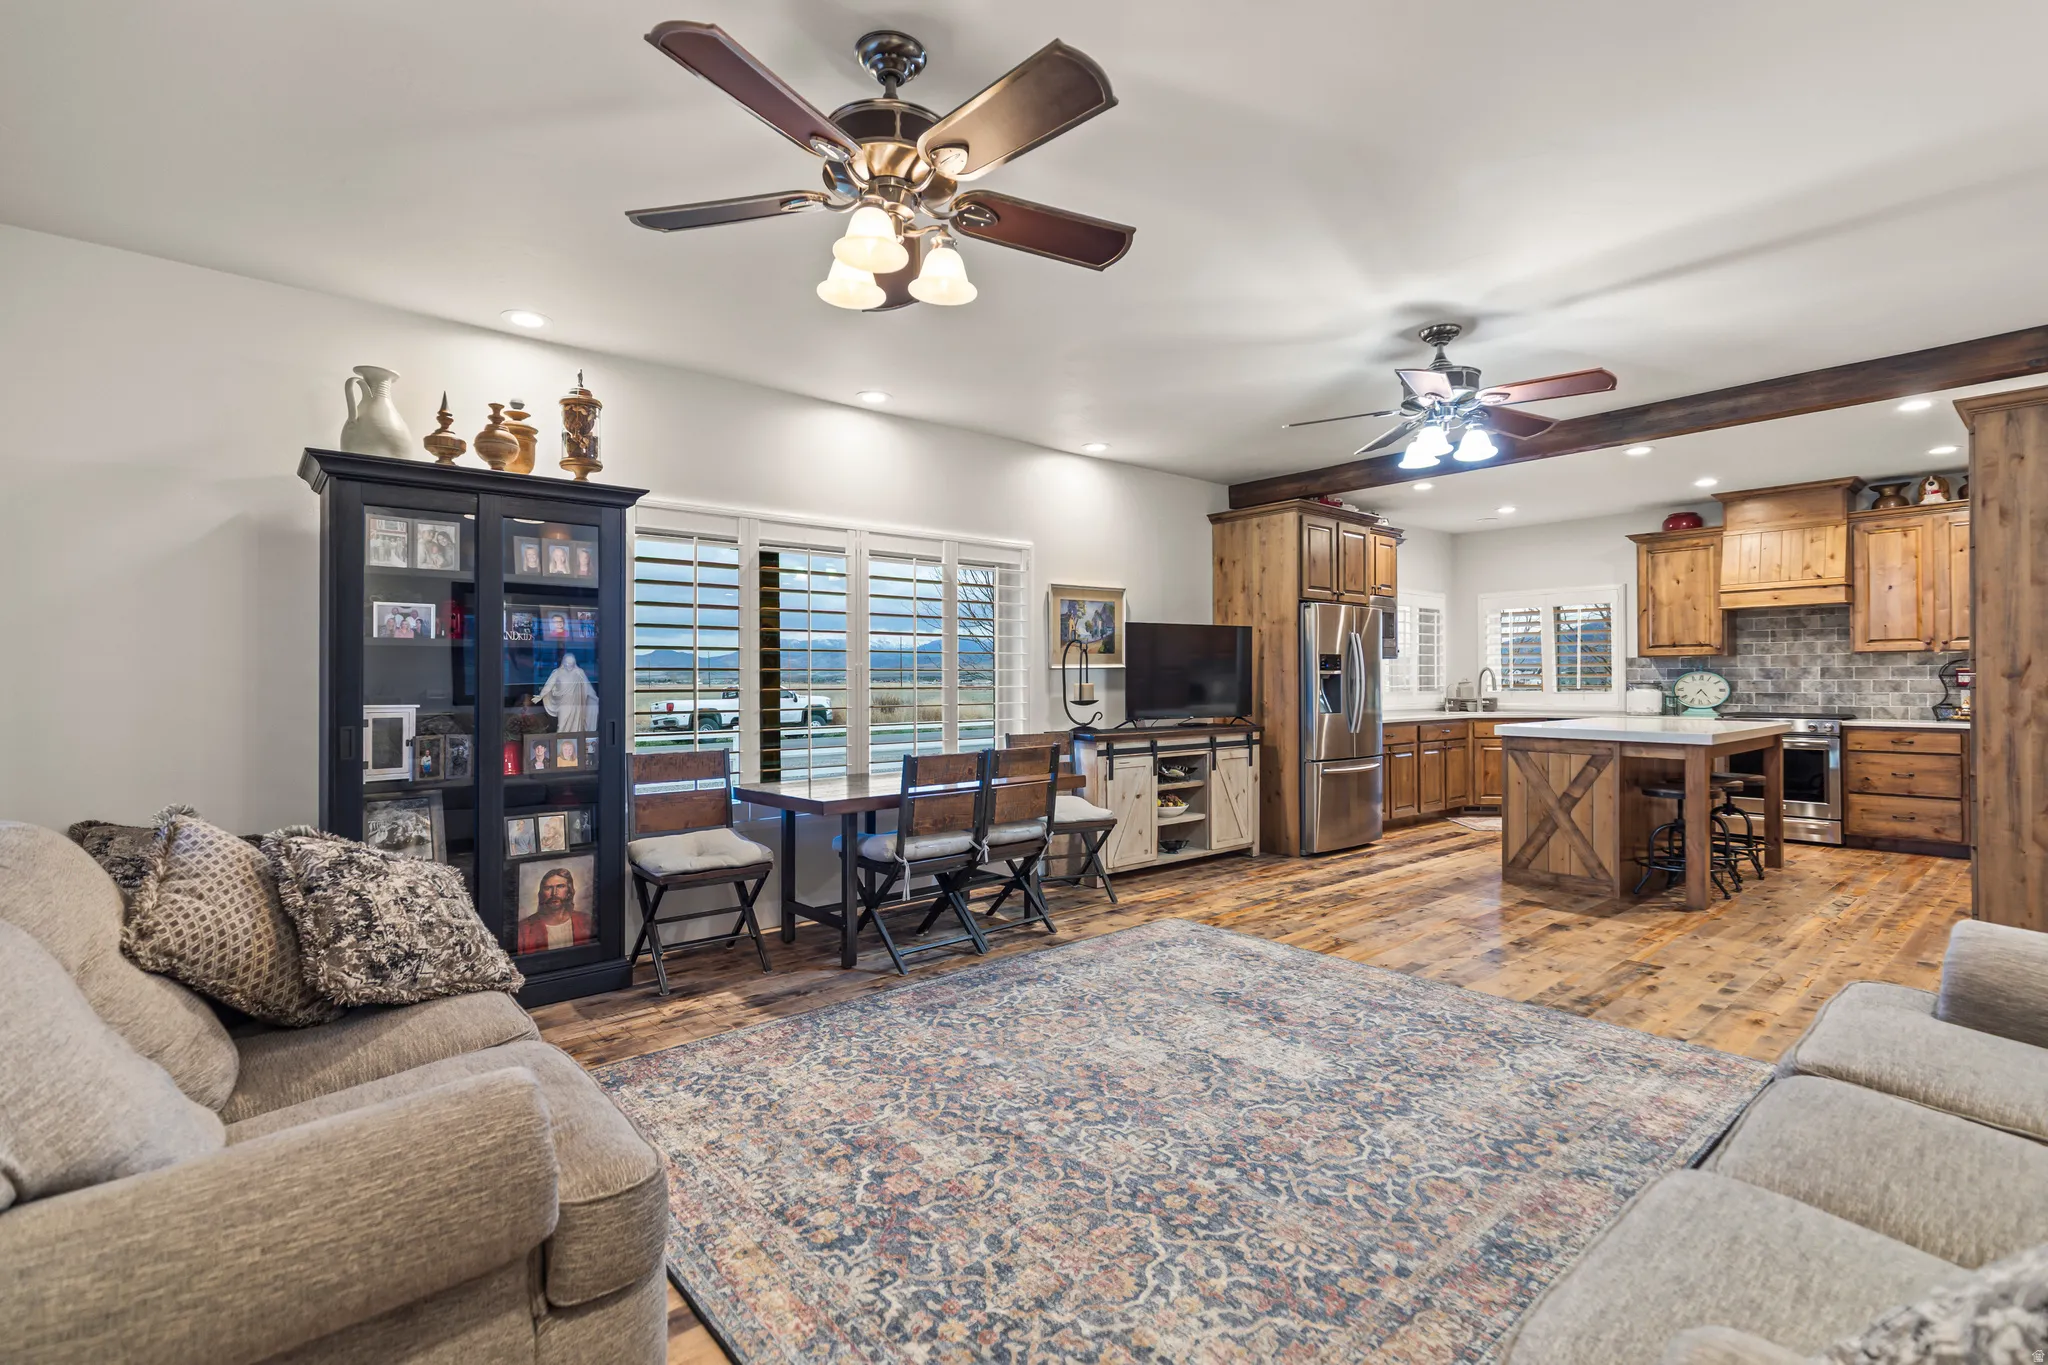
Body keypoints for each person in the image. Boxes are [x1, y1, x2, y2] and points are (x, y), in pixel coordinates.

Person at [517, 866, 594, 953]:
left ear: (569, 892)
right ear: (542, 893)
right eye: (548, 888)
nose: (554, 893)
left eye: (560, 886)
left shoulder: (586, 920)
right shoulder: (524, 929)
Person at [534, 652, 598, 732]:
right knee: (562, 725)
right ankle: (561, 743)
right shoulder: (557, 672)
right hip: (564, 703)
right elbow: (548, 686)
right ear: (563, 663)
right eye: (567, 664)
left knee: (576, 725)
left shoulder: (579, 672)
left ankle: (574, 743)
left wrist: (594, 697)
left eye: (571, 664)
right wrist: (540, 696)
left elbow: (587, 686)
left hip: (576, 703)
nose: (569, 666)